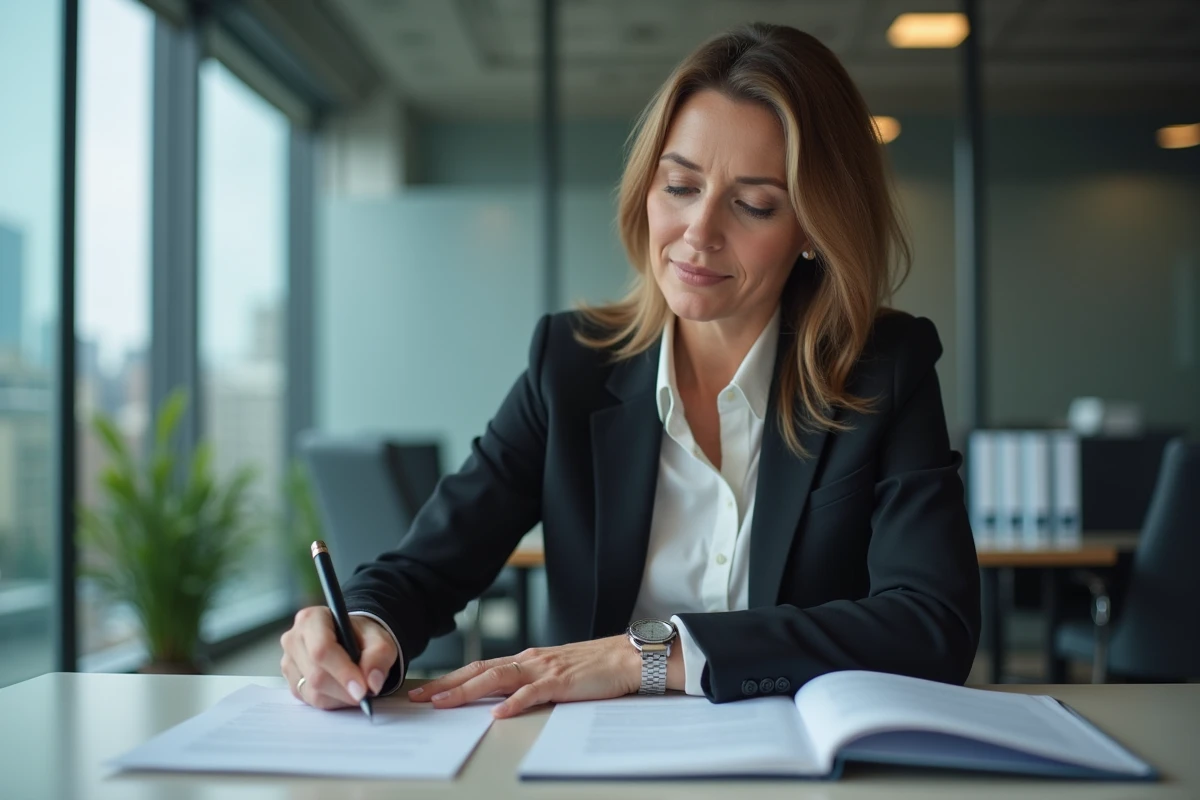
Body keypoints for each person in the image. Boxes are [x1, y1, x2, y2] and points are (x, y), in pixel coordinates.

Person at [280, 22, 980, 719]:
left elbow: (931, 624)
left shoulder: (882, 369)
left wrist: (644, 654)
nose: (698, 233)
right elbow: (433, 562)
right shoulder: (571, 365)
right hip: (594, 767)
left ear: (812, 230)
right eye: (680, 186)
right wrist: (365, 623)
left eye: (754, 204)